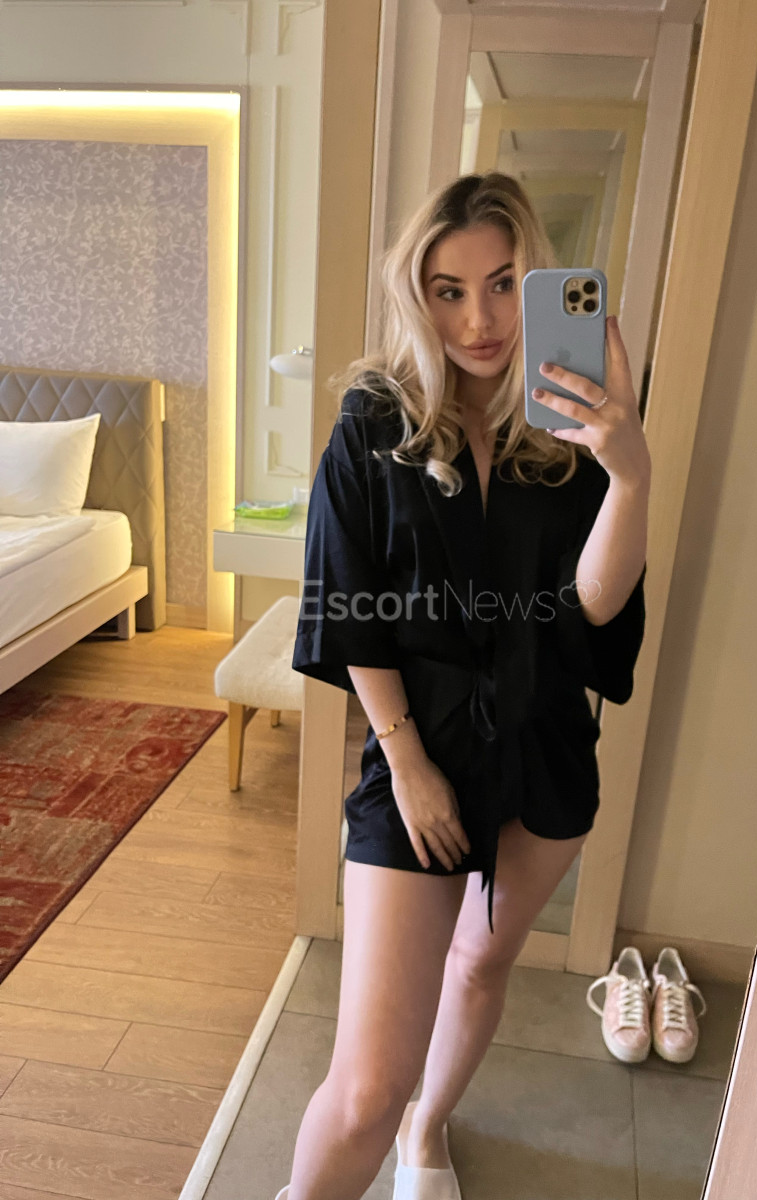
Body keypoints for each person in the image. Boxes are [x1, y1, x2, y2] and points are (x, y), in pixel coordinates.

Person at [285, 171, 651, 1200]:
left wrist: (629, 471)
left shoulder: (572, 422)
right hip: (423, 741)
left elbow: (593, 607)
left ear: (536, 282)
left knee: (483, 966)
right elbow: (348, 596)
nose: (480, 321)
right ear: (418, 295)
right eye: (449, 291)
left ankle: (430, 1128)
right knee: (366, 1086)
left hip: (543, 743)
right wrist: (404, 763)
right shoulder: (376, 419)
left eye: (502, 285)